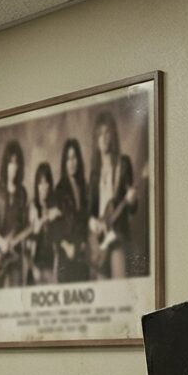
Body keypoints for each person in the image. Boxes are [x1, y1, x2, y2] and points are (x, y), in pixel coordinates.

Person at [87, 111, 140, 278]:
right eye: (100, 134)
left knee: (120, 288)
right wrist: (93, 223)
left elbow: (132, 209)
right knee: (102, 293)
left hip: (118, 235)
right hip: (100, 238)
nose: (103, 138)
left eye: (107, 132)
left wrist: (132, 200)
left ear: (113, 135)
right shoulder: (94, 174)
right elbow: (91, 211)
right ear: (96, 140)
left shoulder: (123, 164)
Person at [0, 140, 28, 288]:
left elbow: (23, 225)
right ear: (6, 164)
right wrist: (0, 242)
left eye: (17, 163)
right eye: (11, 163)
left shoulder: (22, 193)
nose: (14, 167)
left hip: (15, 255)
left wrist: (31, 229)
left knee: (16, 298)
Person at [54, 138, 89, 284]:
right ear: (64, 162)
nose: (72, 162)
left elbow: (85, 219)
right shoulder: (59, 189)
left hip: (81, 253)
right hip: (66, 255)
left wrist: (82, 243)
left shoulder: (83, 186)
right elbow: (53, 226)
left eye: (74, 157)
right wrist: (66, 246)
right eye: (68, 158)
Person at [26, 162, 60, 285]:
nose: (44, 186)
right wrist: (33, 268)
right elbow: (28, 245)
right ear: (36, 185)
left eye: (46, 182)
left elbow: (57, 242)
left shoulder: (55, 207)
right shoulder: (33, 207)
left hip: (52, 267)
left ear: (50, 184)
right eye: (40, 183)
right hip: (36, 268)